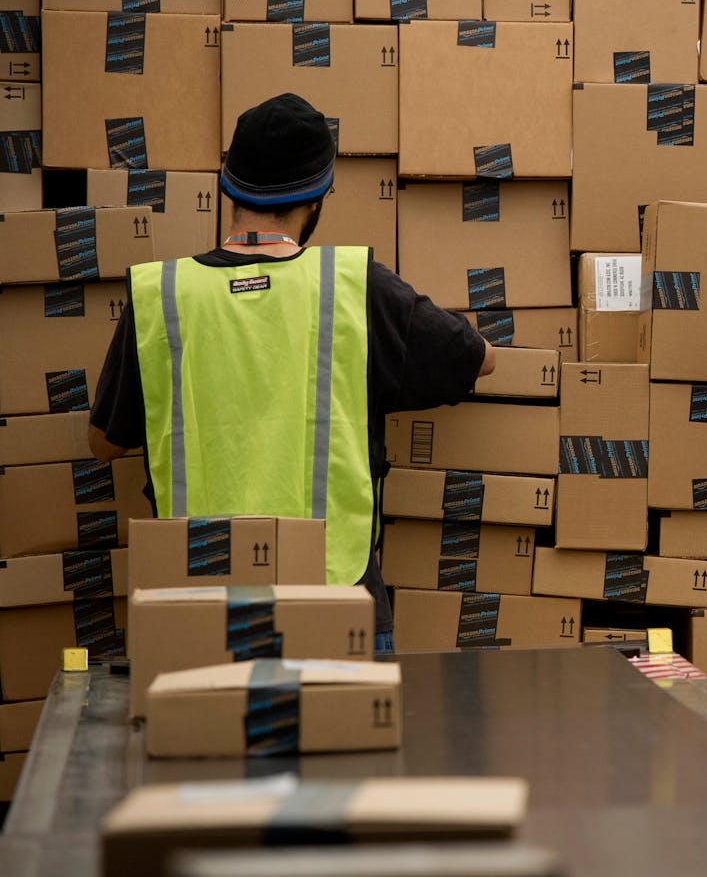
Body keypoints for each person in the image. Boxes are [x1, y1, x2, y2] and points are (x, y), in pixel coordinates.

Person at [89, 92, 495, 654]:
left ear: (227, 185)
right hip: (335, 600)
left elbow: (103, 444)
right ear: (320, 195)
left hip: (198, 607)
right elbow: (475, 357)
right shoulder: (354, 287)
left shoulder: (163, 297)